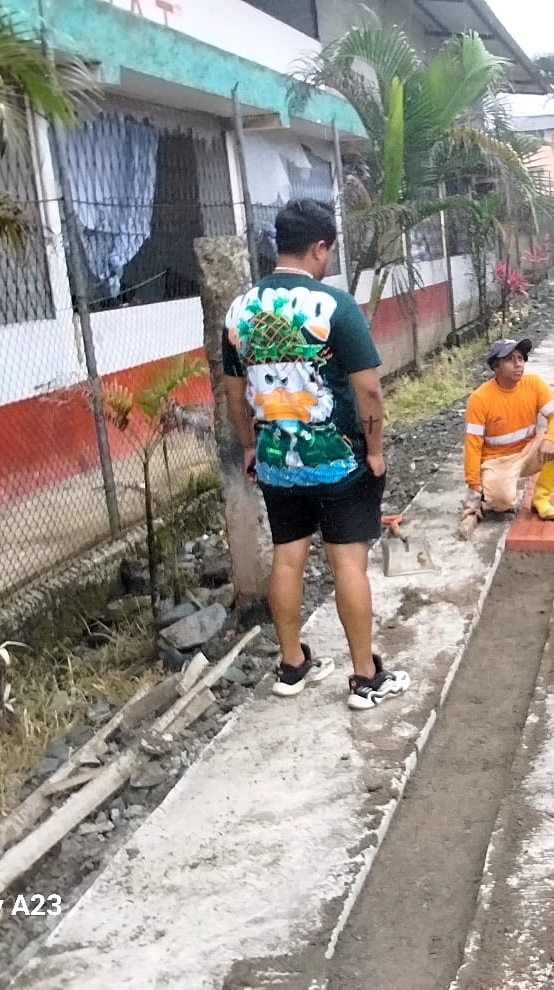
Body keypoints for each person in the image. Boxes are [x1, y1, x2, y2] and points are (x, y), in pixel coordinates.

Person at [222, 199, 410, 710]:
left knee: (288, 556)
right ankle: (366, 677)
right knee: (348, 562)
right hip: (339, 460)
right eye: (329, 251)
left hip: (275, 461)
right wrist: (375, 451)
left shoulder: (240, 310)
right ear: (319, 247)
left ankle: (291, 666)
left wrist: (249, 447)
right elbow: (368, 390)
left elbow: (234, 393)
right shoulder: (335, 306)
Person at [460, 338, 554, 531]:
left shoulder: (534, 384)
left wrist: (550, 439)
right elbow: (472, 445)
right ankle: (490, 491)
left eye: (520, 358)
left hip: (528, 452)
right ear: (495, 367)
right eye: (510, 359)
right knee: (502, 502)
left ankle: (541, 499)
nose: (518, 364)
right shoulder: (480, 399)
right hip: (497, 461)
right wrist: (474, 487)